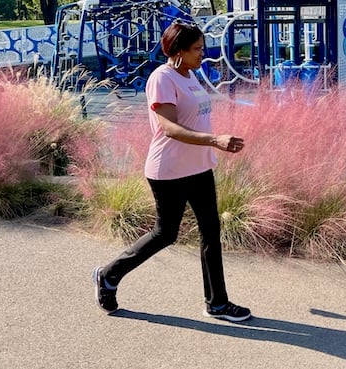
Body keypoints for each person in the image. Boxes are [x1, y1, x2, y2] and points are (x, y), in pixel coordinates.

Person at [92, 20, 251, 322]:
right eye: (196, 49)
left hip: (199, 167)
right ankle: (108, 275)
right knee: (165, 234)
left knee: (211, 233)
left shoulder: (189, 74)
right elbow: (169, 128)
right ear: (177, 51)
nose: (202, 54)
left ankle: (217, 303)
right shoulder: (162, 78)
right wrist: (215, 140)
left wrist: (210, 146)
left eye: (202, 48)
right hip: (169, 170)